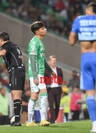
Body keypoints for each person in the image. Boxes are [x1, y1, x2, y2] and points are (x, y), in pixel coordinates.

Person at [69, 2, 96, 132]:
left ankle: (95, 125)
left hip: (86, 58)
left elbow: (71, 41)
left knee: (90, 93)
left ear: (88, 10)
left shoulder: (79, 20)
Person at [26, 21, 51, 127]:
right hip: (35, 73)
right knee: (43, 94)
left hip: (39, 72)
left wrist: (50, 70)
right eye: (42, 28)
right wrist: (35, 76)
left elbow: (42, 59)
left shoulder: (40, 42)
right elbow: (32, 59)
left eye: (45, 28)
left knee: (34, 96)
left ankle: (30, 121)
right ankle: (43, 119)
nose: (45, 30)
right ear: (37, 31)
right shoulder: (34, 42)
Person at [45, 55, 64, 123]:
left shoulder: (59, 69)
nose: (54, 62)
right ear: (49, 61)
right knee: (51, 105)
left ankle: (54, 118)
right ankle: (52, 120)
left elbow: (61, 80)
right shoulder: (46, 70)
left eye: (54, 60)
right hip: (50, 89)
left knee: (57, 105)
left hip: (58, 89)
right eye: (52, 60)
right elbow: (44, 80)